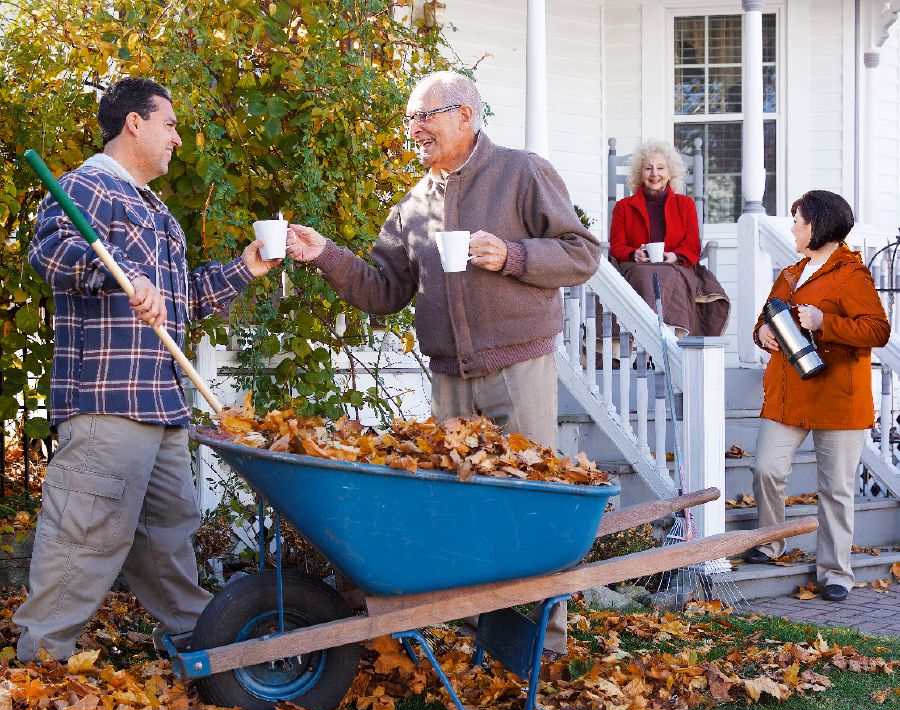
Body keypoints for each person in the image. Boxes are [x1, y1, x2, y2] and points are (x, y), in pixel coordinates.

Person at [286, 70, 601, 656]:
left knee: (530, 501)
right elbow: (382, 291)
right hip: (449, 379)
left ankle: (542, 644)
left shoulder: (521, 172)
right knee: (461, 509)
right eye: (411, 119)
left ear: (465, 114)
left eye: (424, 116)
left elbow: (583, 253)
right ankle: (479, 629)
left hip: (518, 367)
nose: (414, 129)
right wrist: (325, 255)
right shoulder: (413, 205)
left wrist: (512, 255)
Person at [14, 78, 281, 662]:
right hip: (108, 401)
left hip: (161, 403)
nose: (177, 139)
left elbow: (181, 298)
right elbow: (52, 252)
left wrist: (246, 267)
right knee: (84, 535)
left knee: (168, 536)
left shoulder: (156, 209)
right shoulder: (90, 185)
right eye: (170, 125)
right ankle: (40, 661)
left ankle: (199, 638)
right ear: (134, 123)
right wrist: (119, 276)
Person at [747, 190, 890, 601]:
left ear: (818, 226)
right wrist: (763, 334)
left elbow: (877, 330)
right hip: (788, 393)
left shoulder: (852, 275)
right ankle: (772, 542)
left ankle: (836, 573)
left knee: (836, 489)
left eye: (798, 221)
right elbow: (765, 316)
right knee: (766, 469)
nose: (792, 228)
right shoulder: (792, 272)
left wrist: (826, 320)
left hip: (837, 397)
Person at [608, 140, 730, 337]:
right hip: (636, 267)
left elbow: (692, 244)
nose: (654, 173)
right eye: (648, 168)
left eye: (660, 168)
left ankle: (655, 338)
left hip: (677, 266)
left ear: (670, 173)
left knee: (666, 274)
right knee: (649, 275)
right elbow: (616, 245)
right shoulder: (623, 207)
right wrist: (633, 254)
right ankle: (658, 338)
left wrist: (675, 256)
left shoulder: (685, 204)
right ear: (640, 174)